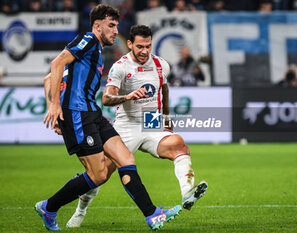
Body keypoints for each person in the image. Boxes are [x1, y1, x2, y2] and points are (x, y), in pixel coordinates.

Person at [36, 5, 181, 231]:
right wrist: (55, 107)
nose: (115, 31)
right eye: (111, 25)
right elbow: (56, 64)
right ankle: (49, 207)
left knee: (126, 159)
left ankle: (152, 214)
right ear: (97, 26)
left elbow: (48, 78)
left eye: (116, 25)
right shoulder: (88, 40)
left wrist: (53, 107)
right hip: (77, 115)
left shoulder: (93, 52)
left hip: (92, 113)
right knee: (99, 174)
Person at [66, 25, 208, 228]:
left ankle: (187, 193)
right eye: (140, 46)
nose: (144, 51)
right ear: (130, 44)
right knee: (101, 173)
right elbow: (106, 98)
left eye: (148, 46)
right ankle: (80, 211)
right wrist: (128, 96)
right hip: (126, 126)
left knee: (179, 146)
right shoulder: (120, 67)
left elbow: (164, 88)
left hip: (151, 123)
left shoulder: (161, 65)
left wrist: (166, 115)